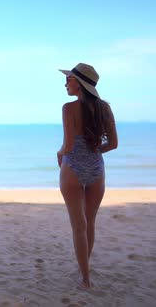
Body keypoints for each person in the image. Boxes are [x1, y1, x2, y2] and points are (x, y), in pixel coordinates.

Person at [56, 63, 118, 288]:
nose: (65, 83)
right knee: (89, 222)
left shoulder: (68, 108)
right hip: (96, 169)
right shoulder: (104, 108)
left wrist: (59, 153)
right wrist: (93, 150)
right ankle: (85, 271)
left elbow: (68, 145)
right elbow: (113, 144)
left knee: (78, 226)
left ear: (79, 83)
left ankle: (85, 277)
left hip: (72, 168)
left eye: (69, 79)